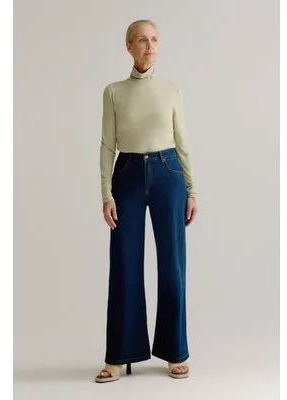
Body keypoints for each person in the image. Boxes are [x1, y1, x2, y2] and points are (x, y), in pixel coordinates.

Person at [95, 19, 197, 383]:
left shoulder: (171, 90)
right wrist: (106, 193)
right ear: (129, 46)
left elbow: (182, 140)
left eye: (154, 39)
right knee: (124, 263)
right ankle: (118, 356)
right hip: (127, 175)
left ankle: (175, 351)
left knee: (172, 265)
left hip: (169, 173)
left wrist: (192, 189)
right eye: (141, 39)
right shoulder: (114, 91)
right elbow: (107, 144)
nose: (149, 45)